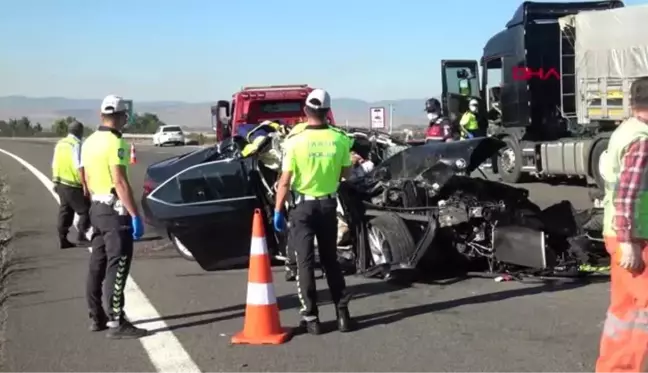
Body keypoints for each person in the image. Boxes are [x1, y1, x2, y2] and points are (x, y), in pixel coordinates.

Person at [273, 88, 355, 334]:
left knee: (305, 263)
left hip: (303, 208)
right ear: (327, 112)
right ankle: (343, 316)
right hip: (328, 205)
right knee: (331, 261)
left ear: (306, 111)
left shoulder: (295, 141)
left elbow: (285, 181)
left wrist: (278, 210)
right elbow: (346, 173)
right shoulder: (340, 139)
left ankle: (311, 319)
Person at [81, 94, 147, 339]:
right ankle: (116, 321)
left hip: (96, 208)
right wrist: (134, 213)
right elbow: (119, 181)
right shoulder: (116, 143)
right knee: (117, 265)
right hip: (114, 210)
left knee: (96, 265)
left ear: (101, 116)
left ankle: (95, 315)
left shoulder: (88, 142)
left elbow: (86, 178)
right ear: (122, 118)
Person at [597, 76, 648, 373]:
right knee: (641, 310)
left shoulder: (625, 131)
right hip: (635, 237)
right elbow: (627, 193)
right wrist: (628, 240)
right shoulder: (642, 139)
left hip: (621, 233)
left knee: (625, 309)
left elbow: (610, 177)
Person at [51, 121, 91, 249]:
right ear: (80, 131)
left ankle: (63, 238)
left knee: (66, 211)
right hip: (73, 184)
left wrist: (55, 181)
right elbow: (80, 165)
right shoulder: (77, 145)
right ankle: (81, 236)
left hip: (61, 182)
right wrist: (85, 184)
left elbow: (55, 163)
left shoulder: (60, 144)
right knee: (86, 211)